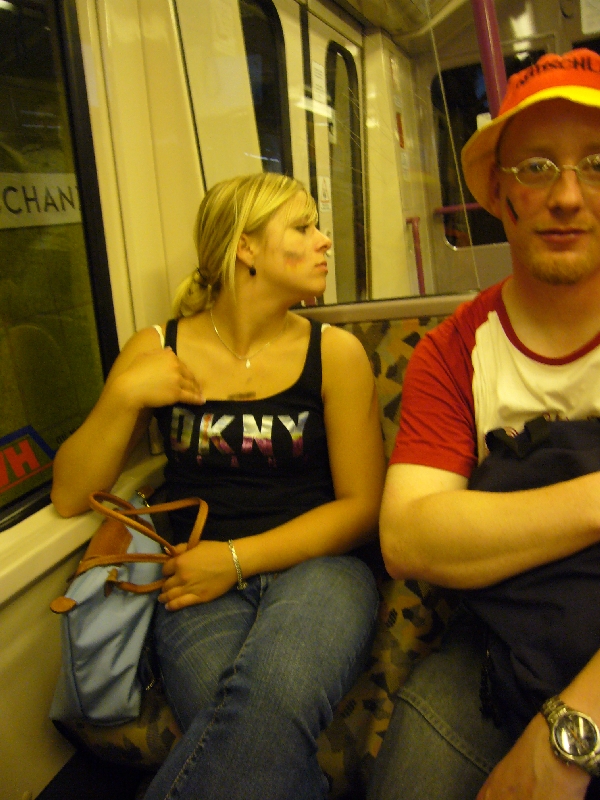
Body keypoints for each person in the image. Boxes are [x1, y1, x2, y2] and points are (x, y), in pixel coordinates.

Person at [51, 172, 386, 800]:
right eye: (303, 227)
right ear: (245, 247)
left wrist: (232, 560)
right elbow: (71, 494)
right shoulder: (160, 347)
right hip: (195, 585)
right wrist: (124, 395)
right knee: (244, 734)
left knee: (269, 698)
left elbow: (362, 508)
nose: (324, 241)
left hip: (319, 569)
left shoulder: (335, 354)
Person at [368, 49, 600, 800]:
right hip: (499, 638)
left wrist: (576, 727)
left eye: (597, 164)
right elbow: (411, 536)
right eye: (536, 167)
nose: (567, 195)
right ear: (500, 193)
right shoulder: (453, 350)